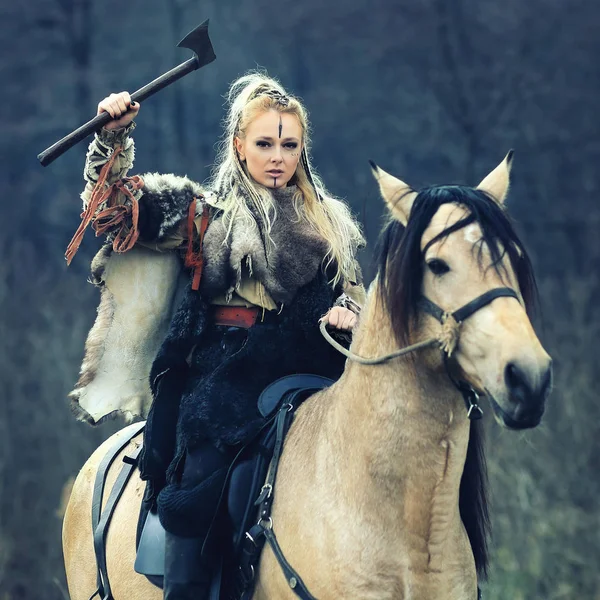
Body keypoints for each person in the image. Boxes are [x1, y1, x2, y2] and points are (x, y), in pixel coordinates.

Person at [68, 72, 366, 599]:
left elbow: (352, 294)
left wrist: (347, 311)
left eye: (289, 145)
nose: (278, 156)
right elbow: (113, 213)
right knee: (198, 486)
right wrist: (112, 137)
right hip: (222, 381)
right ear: (239, 146)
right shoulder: (203, 215)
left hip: (308, 375)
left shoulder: (331, 228)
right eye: (265, 143)